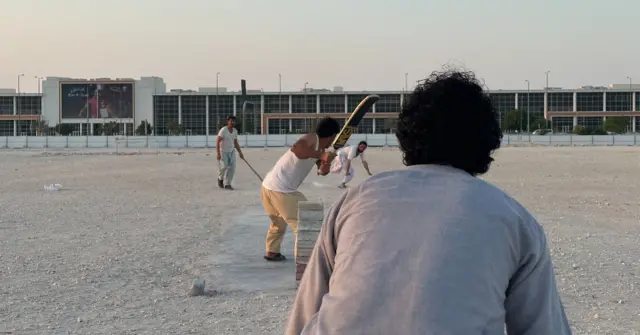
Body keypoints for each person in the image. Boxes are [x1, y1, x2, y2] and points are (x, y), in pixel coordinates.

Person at [285, 69, 572, 334]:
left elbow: (302, 319)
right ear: (486, 143)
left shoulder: (355, 201)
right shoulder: (514, 220)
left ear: (408, 137)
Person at [261, 117, 340, 262]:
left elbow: (322, 172)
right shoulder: (312, 138)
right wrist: (322, 155)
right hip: (282, 189)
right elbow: (297, 149)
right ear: (332, 135)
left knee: (278, 222)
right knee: (306, 224)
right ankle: (306, 262)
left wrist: (327, 162)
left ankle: (272, 251)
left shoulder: (321, 149)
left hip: (268, 186)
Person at [216, 116, 244, 190]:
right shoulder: (223, 130)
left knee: (233, 168)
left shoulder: (235, 131)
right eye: (231, 121)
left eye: (234, 121)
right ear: (228, 121)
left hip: (231, 151)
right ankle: (220, 178)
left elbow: (235, 142)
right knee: (224, 167)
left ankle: (228, 184)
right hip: (223, 151)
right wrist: (218, 153)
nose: (233, 122)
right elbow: (218, 141)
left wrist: (240, 153)